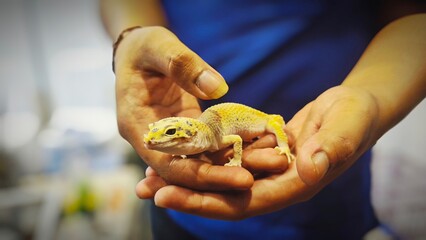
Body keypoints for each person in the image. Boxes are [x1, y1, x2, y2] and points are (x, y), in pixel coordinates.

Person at [101, 1, 426, 239]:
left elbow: (413, 17)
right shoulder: (196, 138)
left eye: (169, 132)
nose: (157, 139)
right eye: (165, 133)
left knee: (275, 128)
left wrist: (372, 96)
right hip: (183, 220)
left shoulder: (216, 136)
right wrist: (131, 36)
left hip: (328, 205)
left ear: (186, 130)